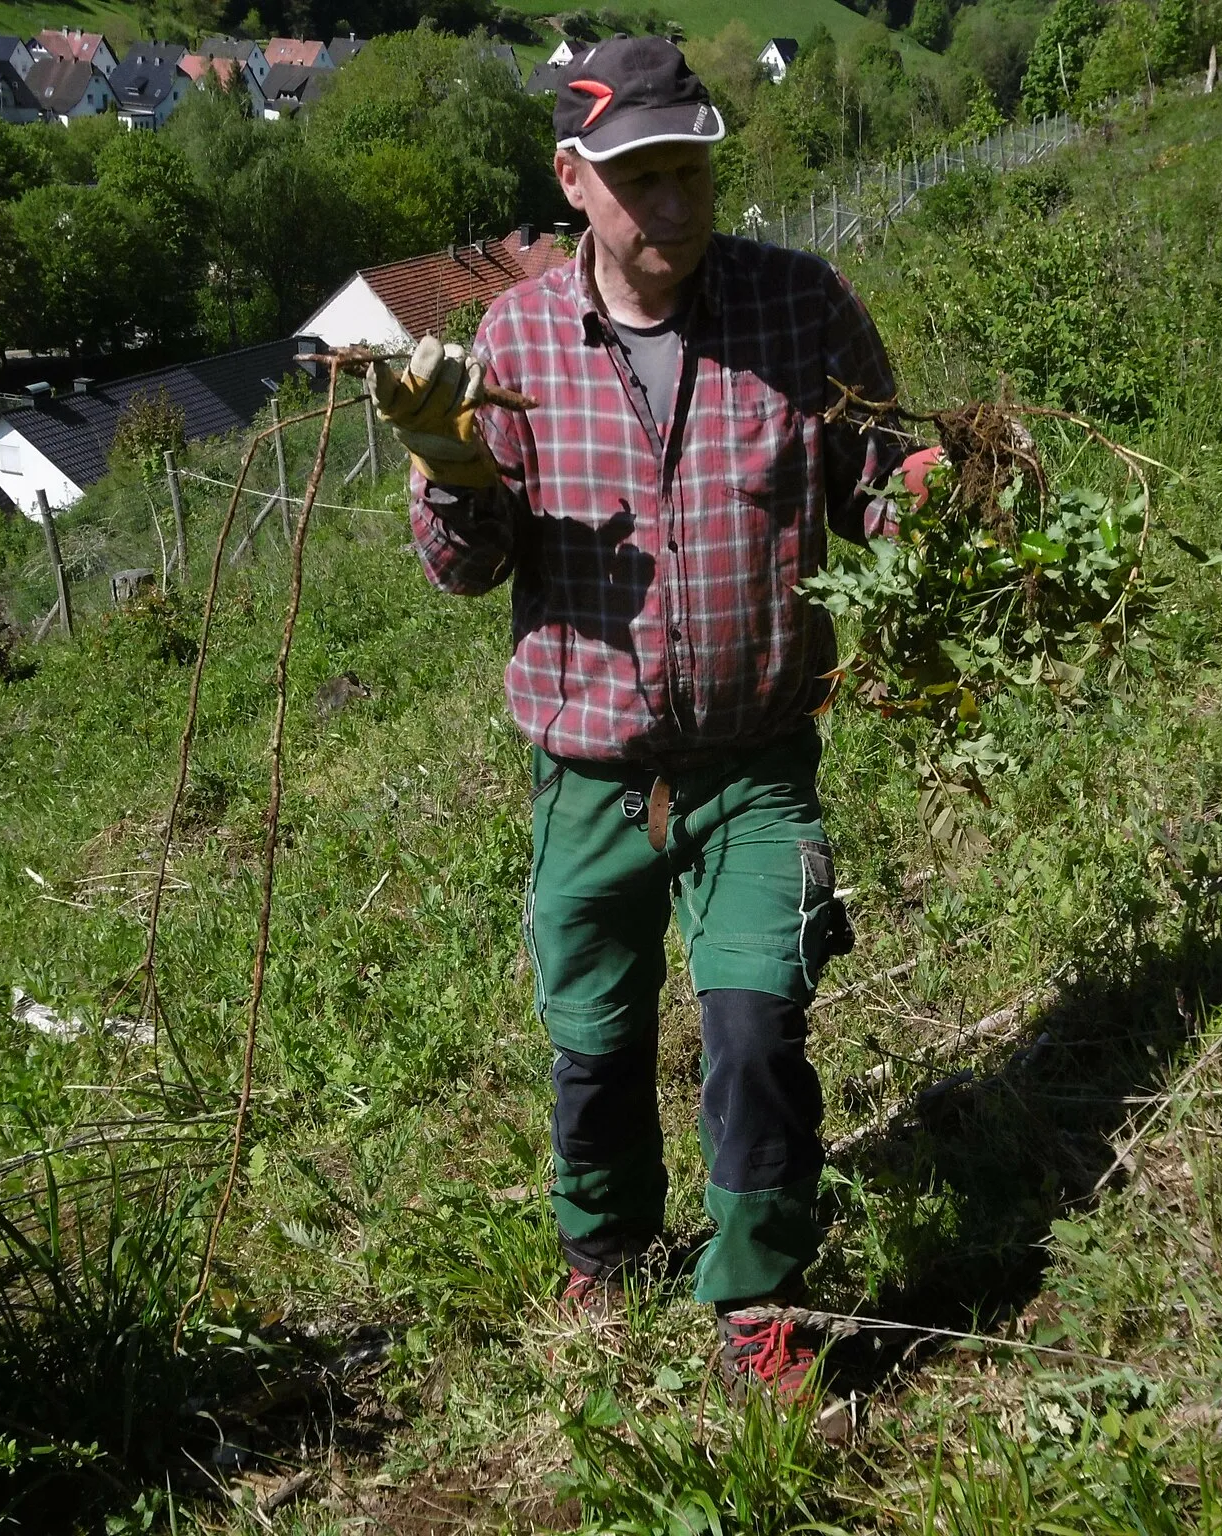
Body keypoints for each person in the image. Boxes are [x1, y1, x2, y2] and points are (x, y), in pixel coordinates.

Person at [370, 35, 902, 1400]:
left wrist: (947, 496)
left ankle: (759, 1298)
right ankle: (605, 1250)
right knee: (596, 1039)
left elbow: (880, 480)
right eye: (641, 180)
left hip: (755, 761)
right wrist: (445, 466)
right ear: (574, 181)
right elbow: (464, 568)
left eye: (692, 174)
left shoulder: (802, 312)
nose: (672, 207)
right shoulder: (519, 341)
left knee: (756, 1031)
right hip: (590, 774)